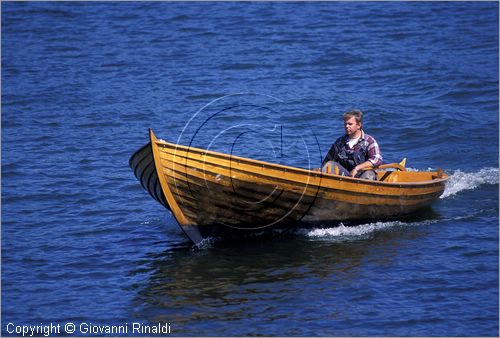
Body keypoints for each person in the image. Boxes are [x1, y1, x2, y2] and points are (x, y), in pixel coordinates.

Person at [321, 109, 382, 180]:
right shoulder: (340, 142)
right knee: (329, 165)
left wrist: (357, 169)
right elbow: (328, 159)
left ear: (359, 125)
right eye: (345, 124)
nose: (347, 126)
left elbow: (377, 159)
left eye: (350, 124)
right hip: (345, 176)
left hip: (362, 175)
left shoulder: (369, 141)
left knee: (369, 174)